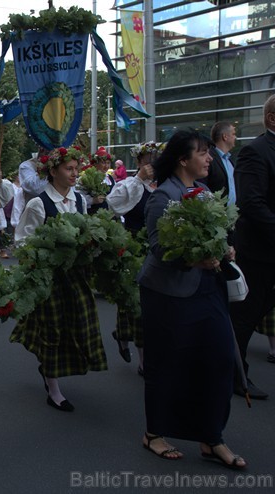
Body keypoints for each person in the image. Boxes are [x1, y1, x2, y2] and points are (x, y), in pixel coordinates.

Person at [138, 129, 245, 469]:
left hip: (207, 288)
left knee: (220, 359)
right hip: (168, 293)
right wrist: (195, 260)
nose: (209, 159)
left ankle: (212, 437)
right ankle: (154, 433)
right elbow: (158, 248)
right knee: (166, 364)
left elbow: (214, 234)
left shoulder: (203, 192)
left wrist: (223, 248)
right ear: (183, 159)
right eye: (202, 153)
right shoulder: (162, 197)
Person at [11, 146, 106, 412]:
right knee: (51, 329)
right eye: (69, 169)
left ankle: (56, 369)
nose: (75, 173)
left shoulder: (79, 200)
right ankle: (52, 387)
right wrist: (46, 252)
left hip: (75, 275)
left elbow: (85, 231)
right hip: (49, 277)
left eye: (77, 168)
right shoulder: (38, 203)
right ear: (52, 172)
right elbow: (22, 242)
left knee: (77, 323)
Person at [230, 91, 275, 400]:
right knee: (245, 318)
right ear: (273, 119)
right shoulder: (256, 151)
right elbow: (251, 203)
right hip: (262, 253)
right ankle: (236, 377)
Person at [106, 141, 164, 375]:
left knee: (152, 304)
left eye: (155, 160)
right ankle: (143, 359)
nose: (152, 165)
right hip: (133, 249)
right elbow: (113, 204)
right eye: (147, 160)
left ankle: (122, 334)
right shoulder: (131, 184)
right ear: (139, 162)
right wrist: (139, 179)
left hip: (157, 249)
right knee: (135, 302)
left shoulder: (164, 185)